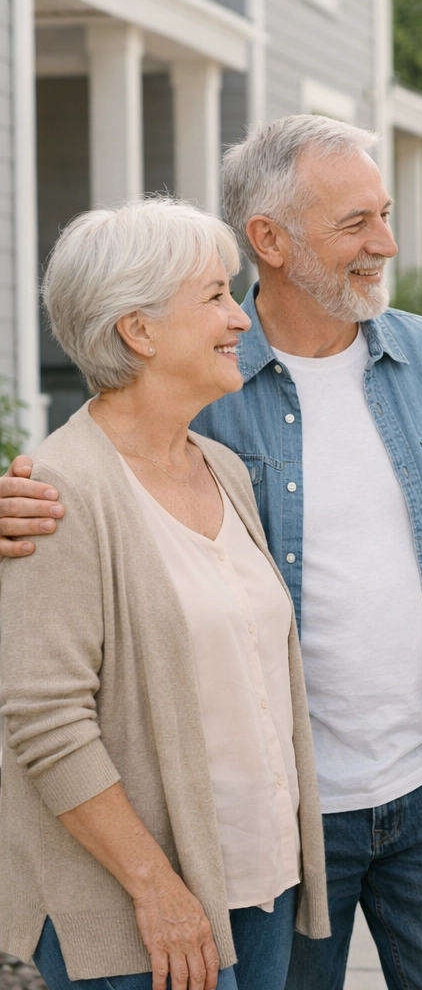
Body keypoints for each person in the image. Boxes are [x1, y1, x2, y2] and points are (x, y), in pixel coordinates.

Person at [0, 116, 422, 990]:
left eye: (384, 214)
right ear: (270, 240)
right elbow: (54, 671)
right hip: (282, 821)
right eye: (355, 223)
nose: (387, 244)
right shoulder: (194, 399)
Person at [0, 199, 330, 990]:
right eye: (215, 296)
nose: (240, 320)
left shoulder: (223, 468)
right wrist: (159, 890)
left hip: (260, 886)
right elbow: (45, 722)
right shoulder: (59, 490)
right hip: (139, 920)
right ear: (138, 331)